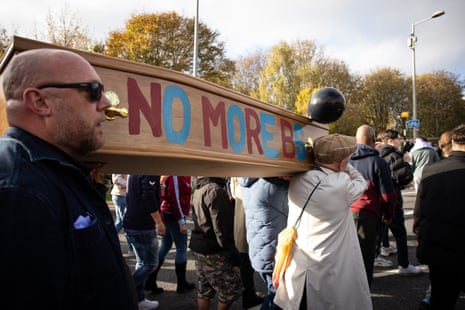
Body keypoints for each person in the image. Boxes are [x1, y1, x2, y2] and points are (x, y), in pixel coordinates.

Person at [0, 48, 138, 309]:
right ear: (40, 102)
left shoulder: (51, 173)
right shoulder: (18, 193)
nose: (107, 104)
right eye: (93, 91)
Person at [274, 134, 372, 310]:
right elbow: (361, 182)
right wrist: (345, 166)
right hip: (329, 269)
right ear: (341, 162)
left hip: (299, 262)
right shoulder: (340, 184)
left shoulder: (298, 177)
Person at [414, 123, 465, 309]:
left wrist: (422, 237)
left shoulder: (431, 171)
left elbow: (419, 212)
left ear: (452, 142)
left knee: (441, 300)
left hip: (439, 250)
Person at [349, 125, 397, 286]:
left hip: (344, 213)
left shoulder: (345, 160)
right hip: (367, 215)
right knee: (365, 257)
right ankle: (361, 294)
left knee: (346, 256)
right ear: (372, 140)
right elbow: (387, 196)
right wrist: (388, 215)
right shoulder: (378, 163)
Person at [189, 176, 242, 310]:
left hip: (199, 245)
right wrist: (232, 254)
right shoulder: (216, 191)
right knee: (230, 290)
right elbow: (222, 229)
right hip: (213, 249)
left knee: (204, 289)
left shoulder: (199, 189)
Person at [239, 176, 291, 310]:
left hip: (260, 251)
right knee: (279, 299)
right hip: (274, 254)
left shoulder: (248, 182)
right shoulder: (272, 185)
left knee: (273, 294)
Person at [377, 129, 421, 275]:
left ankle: (377, 255)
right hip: (393, 198)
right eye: (398, 139)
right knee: (400, 233)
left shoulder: (376, 154)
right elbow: (404, 177)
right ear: (390, 140)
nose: (401, 141)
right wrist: (407, 163)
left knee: (380, 230)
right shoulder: (395, 156)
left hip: (378, 199)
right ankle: (404, 264)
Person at [145, 175, 195, 294]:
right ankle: (181, 284)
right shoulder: (176, 175)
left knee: (165, 246)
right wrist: (181, 221)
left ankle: (150, 281)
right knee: (181, 249)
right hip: (174, 216)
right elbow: (175, 199)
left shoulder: (176, 175)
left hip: (168, 215)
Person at [123, 175, 166, 310]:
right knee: (150, 264)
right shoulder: (149, 170)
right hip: (142, 225)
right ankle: (125, 292)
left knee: (141, 263)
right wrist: (159, 222)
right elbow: (147, 197)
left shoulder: (137, 169)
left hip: (132, 222)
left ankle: (139, 299)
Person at [228, 177, 264, 309]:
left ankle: (248, 295)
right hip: (252, 220)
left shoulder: (235, 176)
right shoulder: (255, 176)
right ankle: (249, 296)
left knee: (245, 264)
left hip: (239, 221)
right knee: (250, 264)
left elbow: (232, 193)